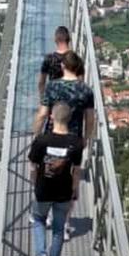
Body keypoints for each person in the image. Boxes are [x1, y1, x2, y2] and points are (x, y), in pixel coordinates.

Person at [32, 51, 94, 239]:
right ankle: (65, 222)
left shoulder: (53, 87)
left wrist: (36, 135)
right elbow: (90, 118)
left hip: (52, 136)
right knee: (71, 180)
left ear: (62, 66)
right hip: (74, 140)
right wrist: (86, 139)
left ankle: (49, 214)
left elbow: (43, 114)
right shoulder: (86, 90)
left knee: (50, 174)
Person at [28, 102, 84, 256]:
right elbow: (76, 170)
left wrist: (35, 185)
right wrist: (75, 190)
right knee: (59, 230)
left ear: (51, 117)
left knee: (38, 220)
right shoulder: (76, 143)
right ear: (70, 119)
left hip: (43, 190)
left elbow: (33, 166)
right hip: (64, 192)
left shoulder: (42, 140)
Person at [37, 26, 72, 101]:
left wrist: (43, 100)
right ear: (68, 40)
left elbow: (41, 82)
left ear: (55, 40)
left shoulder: (49, 58)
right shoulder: (76, 60)